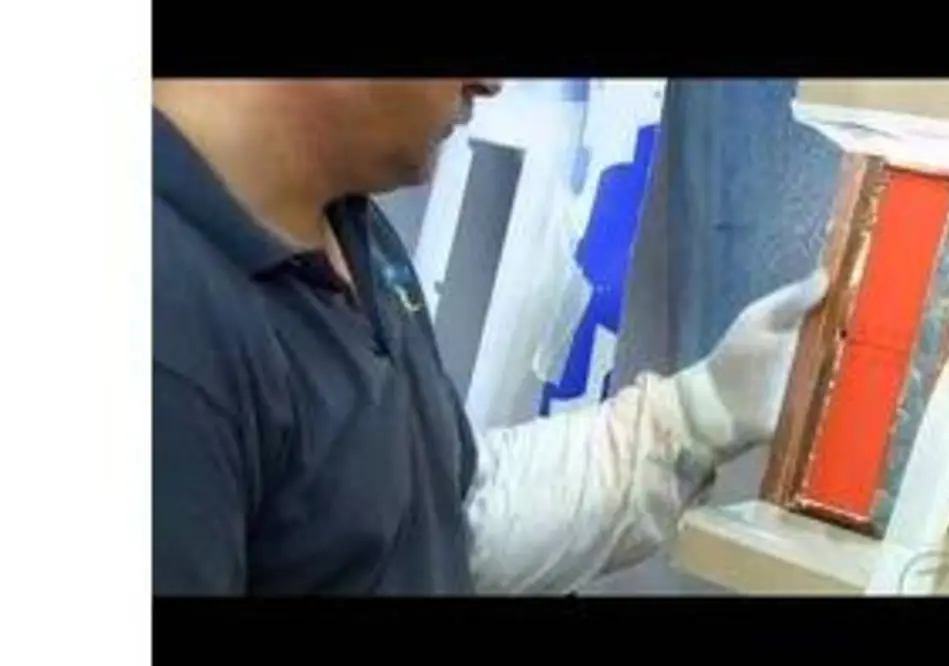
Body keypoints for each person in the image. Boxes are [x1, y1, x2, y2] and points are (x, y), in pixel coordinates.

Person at [152, 79, 829, 595]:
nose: (493, 83)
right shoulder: (165, 341)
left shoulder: (345, 222)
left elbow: (443, 521)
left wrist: (696, 416)